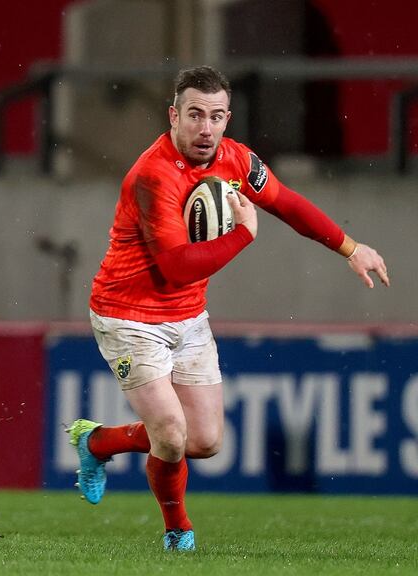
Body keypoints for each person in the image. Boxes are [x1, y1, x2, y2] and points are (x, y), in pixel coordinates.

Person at [67, 65, 389, 552]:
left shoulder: (236, 159)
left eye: (216, 116)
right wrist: (242, 235)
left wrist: (351, 247)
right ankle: (178, 531)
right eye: (195, 115)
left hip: (188, 316)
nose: (205, 128)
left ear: (227, 118)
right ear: (174, 116)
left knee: (205, 441)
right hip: (127, 316)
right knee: (171, 436)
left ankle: (97, 442)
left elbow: (287, 202)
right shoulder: (152, 176)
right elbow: (177, 266)